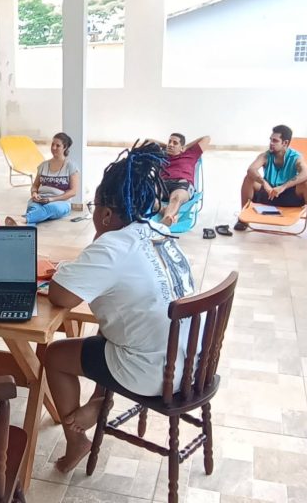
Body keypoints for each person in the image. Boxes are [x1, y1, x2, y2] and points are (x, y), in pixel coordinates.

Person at [41, 142, 196, 473]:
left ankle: (76, 440)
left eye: (95, 206)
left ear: (107, 214)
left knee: (54, 355)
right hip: (191, 361)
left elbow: (60, 296)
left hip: (154, 373)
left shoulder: (112, 248)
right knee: (112, 323)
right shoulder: (157, 230)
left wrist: (92, 247)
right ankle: (99, 401)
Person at [233, 125, 307, 239]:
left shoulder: (296, 157)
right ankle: (243, 220)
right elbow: (251, 169)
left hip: (288, 196)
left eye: (275, 141)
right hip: (268, 194)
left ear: (285, 143)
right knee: (248, 178)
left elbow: (306, 174)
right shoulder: (266, 155)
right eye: (270, 140)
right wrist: (265, 184)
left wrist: (283, 187)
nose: (271, 143)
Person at [5, 132, 80, 226]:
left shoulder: (71, 166)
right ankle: (22, 226)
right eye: (52, 144)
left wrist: (52, 199)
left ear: (65, 147)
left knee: (50, 208)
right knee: (34, 210)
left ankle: (23, 219)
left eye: (58, 146)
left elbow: (73, 191)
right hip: (39, 200)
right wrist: (34, 193)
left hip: (60, 202)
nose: (54, 148)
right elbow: (35, 186)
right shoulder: (43, 165)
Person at [143, 133, 209, 227]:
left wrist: (186, 147)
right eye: (169, 142)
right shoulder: (162, 154)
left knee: (176, 198)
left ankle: (166, 219)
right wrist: (166, 146)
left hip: (182, 184)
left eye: (175, 143)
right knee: (150, 196)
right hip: (162, 184)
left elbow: (207, 138)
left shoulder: (191, 154)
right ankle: (164, 211)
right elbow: (147, 141)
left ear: (181, 147)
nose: (171, 144)